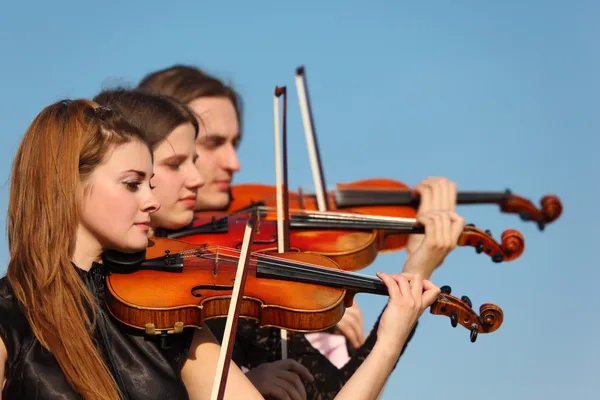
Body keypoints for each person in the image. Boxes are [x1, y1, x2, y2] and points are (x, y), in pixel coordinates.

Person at [0, 96, 447, 400]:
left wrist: (390, 339)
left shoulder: (167, 318)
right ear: (66, 187)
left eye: (152, 184)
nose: (152, 201)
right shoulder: (8, 316)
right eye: (133, 184)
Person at [138, 65, 462, 399]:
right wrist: (414, 273)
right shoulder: (180, 281)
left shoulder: (235, 268)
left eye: (235, 142)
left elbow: (326, 389)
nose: (234, 162)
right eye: (211, 144)